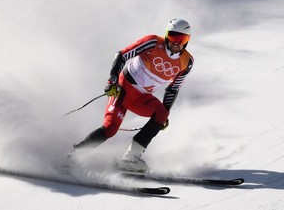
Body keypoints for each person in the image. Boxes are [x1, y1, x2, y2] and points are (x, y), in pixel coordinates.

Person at [69, 18, 194, 172]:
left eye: (181, 39)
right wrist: (112, 81)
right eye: (173, 36)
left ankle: (130, 159)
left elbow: (173, 89)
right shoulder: (153, 42)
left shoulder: (186, 62)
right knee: (110, 128)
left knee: (162, 114)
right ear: (167, 35)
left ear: (187, 41)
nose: (176, 42)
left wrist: (164, 115)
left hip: (142, 98)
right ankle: (75, 155)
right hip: (123, 89)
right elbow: (122, 55)